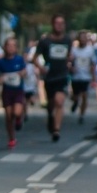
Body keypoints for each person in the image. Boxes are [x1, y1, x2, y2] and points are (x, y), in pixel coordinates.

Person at [33, 14, 71, 142]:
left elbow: (69, 56)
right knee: (51, 103)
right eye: (57, 23)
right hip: (49, 76)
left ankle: (56, 130)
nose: (59, 25)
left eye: (62, 23)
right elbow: (34, 58)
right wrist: (41, 67)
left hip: (62, 75)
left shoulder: (67, 40)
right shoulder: (45, 41)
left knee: (59, 102)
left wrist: (70, 63)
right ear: (53, 24)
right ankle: (50, 115)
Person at [0, 37, 27, 149]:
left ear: (16, 48)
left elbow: (25, 71)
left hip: (18, 91)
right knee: (8, 115)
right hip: (7, 91)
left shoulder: (19, 60)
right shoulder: (1, 62)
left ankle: (19, 119)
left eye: (13, 46)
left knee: (16, 112)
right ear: (4, 47)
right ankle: (11, 138)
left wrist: (21, 74)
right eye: (8, 45)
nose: (10, 48)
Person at [69, 30, 96, 124]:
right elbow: (69, 62)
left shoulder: (90, 50)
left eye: (85, 38)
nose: (83, 40)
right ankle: (75, 102)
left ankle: (81, 115)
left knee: (84, 96)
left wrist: (94, 78)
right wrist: (71, 68)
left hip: (86, 76)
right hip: (76, 76)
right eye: (81, 38)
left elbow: (93, 64)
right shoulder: (74, 50)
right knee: (75, 95)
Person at [23, 41, 39, 121]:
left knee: (29, 98)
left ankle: (32, 100)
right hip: (24, 85)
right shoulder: (21, 64)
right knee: (24, 100)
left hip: (31, 84)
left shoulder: (31, 65)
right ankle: (25, 113)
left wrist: (37, 80)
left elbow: (36, 72)